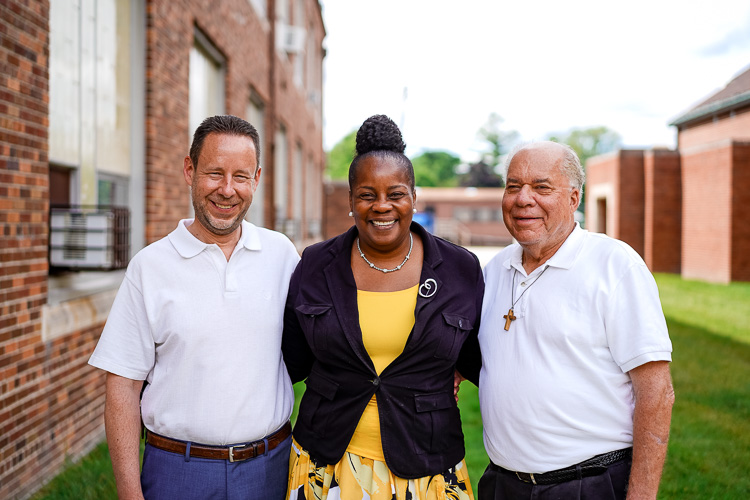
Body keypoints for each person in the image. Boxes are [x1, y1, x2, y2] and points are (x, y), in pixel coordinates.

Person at [88, 115, 300, 499]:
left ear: (257, 178)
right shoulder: (150, 267)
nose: (227, 190)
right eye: (214, 173)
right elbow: (122, 384)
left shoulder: (282, 255)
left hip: (271, 468)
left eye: (241, 176)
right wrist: (129, 494)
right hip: (178, 473)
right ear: (190, 170)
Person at [282, 114, 484, 500]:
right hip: (326, 464)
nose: (382, 206)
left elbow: (481, 355)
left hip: (428, 466)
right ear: (351, 200)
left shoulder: (460, 269)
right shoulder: (315, 265)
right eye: (367, 195)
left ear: (413, 197)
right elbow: (290, 358)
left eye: (395, 194)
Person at [477, 141, 675, 500]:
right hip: (502, 486)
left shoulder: (615, 266)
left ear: (573, 198)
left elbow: (657, 392)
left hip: (588, 485)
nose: (523, 199)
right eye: (513, 186)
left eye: (541, 187)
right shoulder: (494, 271)